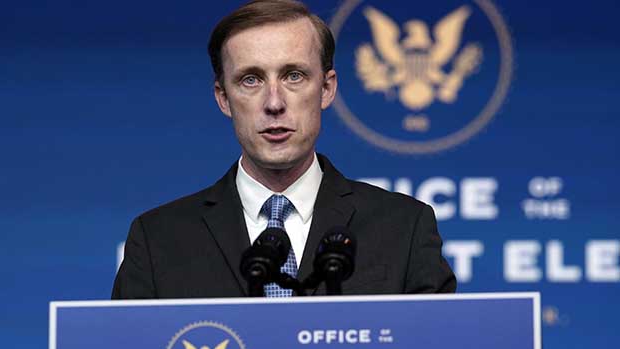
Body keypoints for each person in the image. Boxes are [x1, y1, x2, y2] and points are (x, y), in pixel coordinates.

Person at [111, 0, 456, 299]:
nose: (274, 103)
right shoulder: (158, 240)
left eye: (293, 76)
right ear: (223, 98)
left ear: (326, 89)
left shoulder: (404, 228)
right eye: (251, 79)